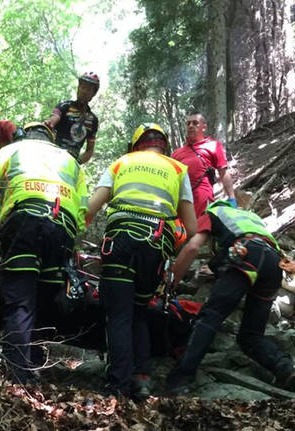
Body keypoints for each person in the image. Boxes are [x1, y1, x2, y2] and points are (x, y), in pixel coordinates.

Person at [0, 122, 88, 383]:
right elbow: (82, 213)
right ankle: (34, 361)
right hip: (61, 229)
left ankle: (18, 375)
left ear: (24, 135)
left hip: (24, 223)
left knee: (20, 298)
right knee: (44, 294)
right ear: (52, 139)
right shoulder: (71, 161)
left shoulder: (12, 150)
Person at [86, 123, 197, 400]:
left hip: (120, 242)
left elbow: (91, 208)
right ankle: (142, 378)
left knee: (119, 315)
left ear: (136, 145)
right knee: (140, 311)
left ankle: (118, 388)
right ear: (164, 145)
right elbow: (192, 229)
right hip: (155, 247)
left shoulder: (121, 163)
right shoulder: (176, 168)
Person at [165, 200, 295, 395]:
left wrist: (170, 284)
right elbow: (252, 249)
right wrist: (217, 268)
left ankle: (181, 378)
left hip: (245, 253)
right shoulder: (249, 216)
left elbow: (192, 247)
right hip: (274, 264)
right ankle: (285, 367)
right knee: (251, 336)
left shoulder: (212, 212)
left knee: (210, 316)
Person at [171, 113, 236, 216]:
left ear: (204, 126)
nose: (191, 126)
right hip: (182, 203)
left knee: (202, 230)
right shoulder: (176, 153)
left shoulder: (213, 145)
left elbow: (223, 173)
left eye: (195, 123)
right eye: (188, 123)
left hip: (203, 201)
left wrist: (232, 198)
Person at [44, 72, 99, 164]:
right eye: (83, 87)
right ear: (78, 88)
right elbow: (55, 117)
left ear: (93, 94)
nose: (84, 92)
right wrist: (49, 123)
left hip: (71, 163)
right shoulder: (65, 106)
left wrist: (78, 162)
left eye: (89, 89)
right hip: (53, 156)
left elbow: (89, 150)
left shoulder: (93, 120)